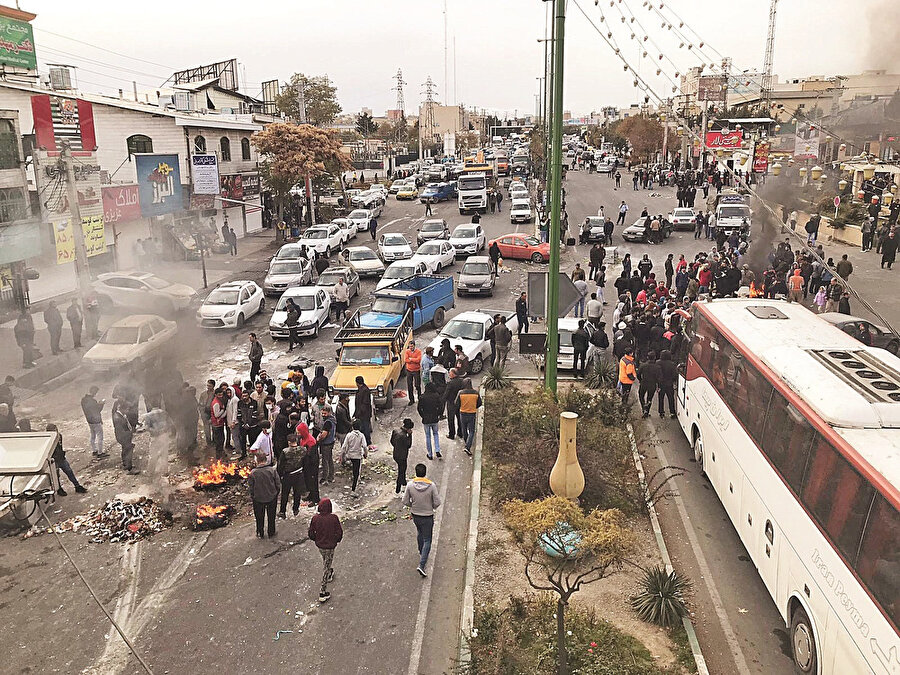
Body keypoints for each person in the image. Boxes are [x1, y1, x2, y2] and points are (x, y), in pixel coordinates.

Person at [402, 463, 442, 577]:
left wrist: (413, 506)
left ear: (416, 472)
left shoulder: (410, 485)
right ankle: (422, 564)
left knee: (420, 532)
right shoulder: (431, 486)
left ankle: (421, 552)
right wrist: (431, 507)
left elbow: (405, 501)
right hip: (427, 516)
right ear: (425, 473)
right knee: (427, 539)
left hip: (416, 515)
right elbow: (437, 502)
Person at [308, 497, 343, 603]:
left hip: (320, 545)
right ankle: (322, 592)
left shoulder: (315, 518)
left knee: (326, 560)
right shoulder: (333, 518)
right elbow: (339, 532)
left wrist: (316, 539)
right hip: (330, 546)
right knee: (326, 565)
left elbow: (311, 532)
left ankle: (330, 571)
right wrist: (336, 540)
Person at [47, 423, 87, 495]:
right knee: (56, 475)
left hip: (61, 458)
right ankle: (59, 489)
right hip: (54, 460)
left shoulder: (59, 436)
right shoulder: (48, 439)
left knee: (69, 471)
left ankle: (77, 486)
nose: (55, 432)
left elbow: (60, 447)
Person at [249, 452, 281, 538]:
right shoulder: (272, 470)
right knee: (271, 516)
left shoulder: (253, 473)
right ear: (265, 460)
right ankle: (271, 532)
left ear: (257, 461)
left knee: (259, 517)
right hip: (271, 497)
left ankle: (260, 532)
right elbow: (278, 484)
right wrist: (275, 493)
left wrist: (253, 496)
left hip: (258, 499)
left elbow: (251, 487)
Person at [277, 434, 305, 518]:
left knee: (285, 493)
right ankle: (296, 509)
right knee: (297, 493)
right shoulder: (302, 449)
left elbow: (280, 465)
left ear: (289, 442)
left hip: (288, 475)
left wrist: (280, 475)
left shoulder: (285, 451)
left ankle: (282, 511)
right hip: (299, 474)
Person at [340, 420, 368, 495]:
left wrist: (342, 457)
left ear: (352, 427)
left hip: (350, 455)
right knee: (357, 471)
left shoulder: (349, 435)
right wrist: (366, 454)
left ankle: (356, 481)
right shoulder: (361, 435)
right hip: (357, 456)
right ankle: (353, 490)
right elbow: (365, 446)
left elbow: (344, 447)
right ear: (360, 427)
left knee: (355, 470)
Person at [417, 382, 443, 460]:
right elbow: (441, 407)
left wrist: (423, 416)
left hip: (426, 419)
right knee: (436, 434)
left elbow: (419, 408)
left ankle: (430, 454)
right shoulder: (436, 396)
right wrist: (438, 414)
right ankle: (437, 449)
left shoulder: (422, 397)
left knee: (428, 436)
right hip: (434, 418)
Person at [456, 378, 481, 456]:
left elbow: (456, 403)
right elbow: (479, 403)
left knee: (464, 429)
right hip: (472, 413)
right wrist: (473, 406)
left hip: (463, 413)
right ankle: (468, 446)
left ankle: (467, 442)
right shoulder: (476, 393)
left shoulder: (461, 393)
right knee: (472, 431)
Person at [297, 422, 320, 505]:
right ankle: (311, 495)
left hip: (311, 465)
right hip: (306, 464)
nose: (298, 434)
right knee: (308, 481)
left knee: (313, 481)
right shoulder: (303, 439)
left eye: (299, 432)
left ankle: (315, 499)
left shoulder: (311, 441)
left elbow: (311, 456)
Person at [112, 395, 136, 473]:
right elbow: (121, 431)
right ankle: (129, 468)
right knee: (128, 451)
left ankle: (125, 464)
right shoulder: (118, 418)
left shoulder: (121, 415)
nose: (128, 411)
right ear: (123, 409)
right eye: (127, 409)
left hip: (124, 436)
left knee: (125, 450)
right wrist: (131, 432)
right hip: (123, 437)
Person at [81, 386, 107, 458]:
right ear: (94, 392)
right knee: (100, 436)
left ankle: (94, 450)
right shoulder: (93, 401)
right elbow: (97, 410)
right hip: (96, 421)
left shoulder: (83, 400)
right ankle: (100, 452)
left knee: (93, 435)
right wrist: (101, 404)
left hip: (89, 421)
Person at [391, 418, 414, 495]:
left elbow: (392, 441)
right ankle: (398, 489)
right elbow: (409, 445)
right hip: (402, 456)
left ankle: (403, 482)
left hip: (396, 454)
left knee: (402, 469)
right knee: (402, 470)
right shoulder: (404, 436)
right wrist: (410, 435)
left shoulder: (396, 431)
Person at [316, 406, 337, 483]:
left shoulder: (327, 422)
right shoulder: (332, 420)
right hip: (331, 442)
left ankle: (325, 478)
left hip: (326, 444)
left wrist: (318, 439)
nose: (323, 415)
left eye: (325, 413)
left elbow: (324, 435)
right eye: (322, 413)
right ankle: (331, 476)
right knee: (330, 459)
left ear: (329, 413)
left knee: (325, 461)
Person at [637, 351, 660, 418]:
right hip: (652, 384)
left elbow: (638, 374)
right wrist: (658, 385)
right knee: (649, 398)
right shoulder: (657, 367)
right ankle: (647, 409)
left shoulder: (643, 365)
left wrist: (640, 380)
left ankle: (644, 408)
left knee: (641, 395)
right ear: (655, 358)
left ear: (647, 357)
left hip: (644, 383)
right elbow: (659, 378)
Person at [354, 376, 375, 447]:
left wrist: (359, 413)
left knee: (365, 428)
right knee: (362, 428)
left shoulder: (365, 390)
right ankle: (363, 442)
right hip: (361, 413)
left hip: (364, 414)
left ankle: (368, 442)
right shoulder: (361, 389)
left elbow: (365, 404)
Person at [443, 368, 464, 440]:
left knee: (451, 419)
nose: (449, 374)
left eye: (449, 373)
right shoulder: (462, 381)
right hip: (459, 402)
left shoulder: (450, 383)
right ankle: (460, 432)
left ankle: (452, 434)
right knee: (459, 418)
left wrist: (442, 401)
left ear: (453, 374)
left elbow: (446, 394)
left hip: (451, 403)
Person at [404, 340, 423, 404]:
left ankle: (419, 398)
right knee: (409, 386)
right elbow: (406, 360)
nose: (411, 348)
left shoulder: (418, 352)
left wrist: (411, 359)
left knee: (417, 385)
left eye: (412, 346)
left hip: (416, 370)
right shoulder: (407, 351)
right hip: (409, 370)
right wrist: (413, 360)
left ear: (414, 346)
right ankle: (411, 400)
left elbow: (418, 360)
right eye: (410, 347)